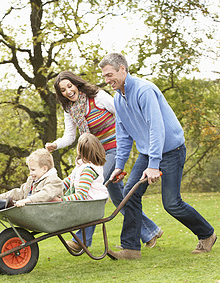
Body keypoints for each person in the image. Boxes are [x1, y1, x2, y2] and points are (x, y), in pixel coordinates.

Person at [99, 53, 216, 260]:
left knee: (171, 203)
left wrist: (153, 165)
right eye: (105, 76)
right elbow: (123, 134)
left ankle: (207, 234)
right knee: (130, 195)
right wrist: (119, 165)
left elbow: (157, 128)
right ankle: (131, 249)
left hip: (171, 150)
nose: (107, 80)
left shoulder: (144, 91)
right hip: (148, 151)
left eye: (110, 75)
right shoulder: (118, 99)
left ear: (123, 70)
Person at [45, 71, 162, 252]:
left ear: (76, 84)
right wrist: (55, 144)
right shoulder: (70, 109)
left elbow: (122, 112)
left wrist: (138, 133)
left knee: (93, 188)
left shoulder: (97, 97)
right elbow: (70, 136)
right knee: (118, 197)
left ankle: (82, 239)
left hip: (115, 150)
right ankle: (150, 231)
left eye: (69, 86)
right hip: (94, 156)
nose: (68, 91)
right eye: (63, 90)